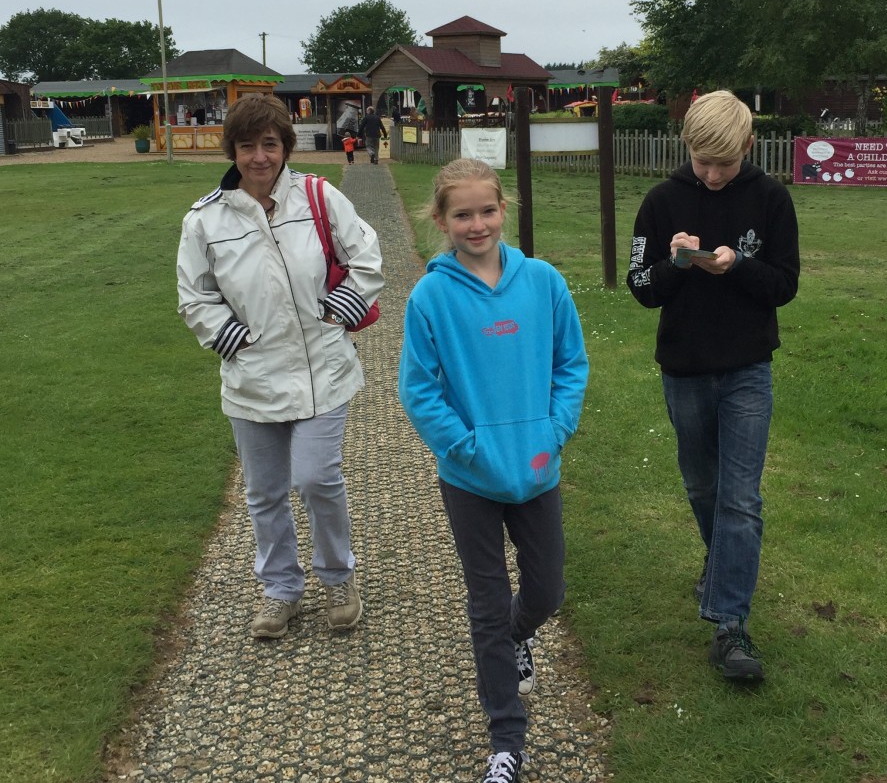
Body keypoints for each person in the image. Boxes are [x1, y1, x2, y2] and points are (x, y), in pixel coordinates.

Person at [398, 158, 588, 783]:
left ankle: (516, 635)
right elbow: (419, 390)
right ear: (441, 220)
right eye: (461, 214)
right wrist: (463, 447)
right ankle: (506, 741)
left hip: (536, 469)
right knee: (484, 603)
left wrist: (554, 433)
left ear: (505, 210)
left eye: (486, 210)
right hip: (472, 479)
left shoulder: (543, 282)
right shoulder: (431, 297)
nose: (476, 224)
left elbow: (570, 364)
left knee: (546, 591)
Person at [176, 95, 384, 639]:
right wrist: (227, 335)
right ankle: (280, 588)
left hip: (323, 369)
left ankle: (338, 575)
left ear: (285, 146)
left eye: (270, 144)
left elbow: (366, 253)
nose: (260, 157)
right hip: (252, 376)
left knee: (316, 478)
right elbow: (194, 294)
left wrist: (348, 303)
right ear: (234, 151)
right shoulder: (205, 219)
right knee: (264, 491)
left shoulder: (318, 195)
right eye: (248, 146)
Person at [626, 90, 800, 683]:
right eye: (704, 162)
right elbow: (641, 287)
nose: (714, 174)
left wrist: (738, 267)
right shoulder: (662, 201)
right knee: (703, 485)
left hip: (749, 368)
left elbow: (784, 284)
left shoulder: (772, 198)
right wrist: (678, 264)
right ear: (688, 148)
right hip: (685, 368)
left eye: (725, 163)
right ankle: (721, 563)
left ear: (748, 147)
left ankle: (730, 625)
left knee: (740, 498)